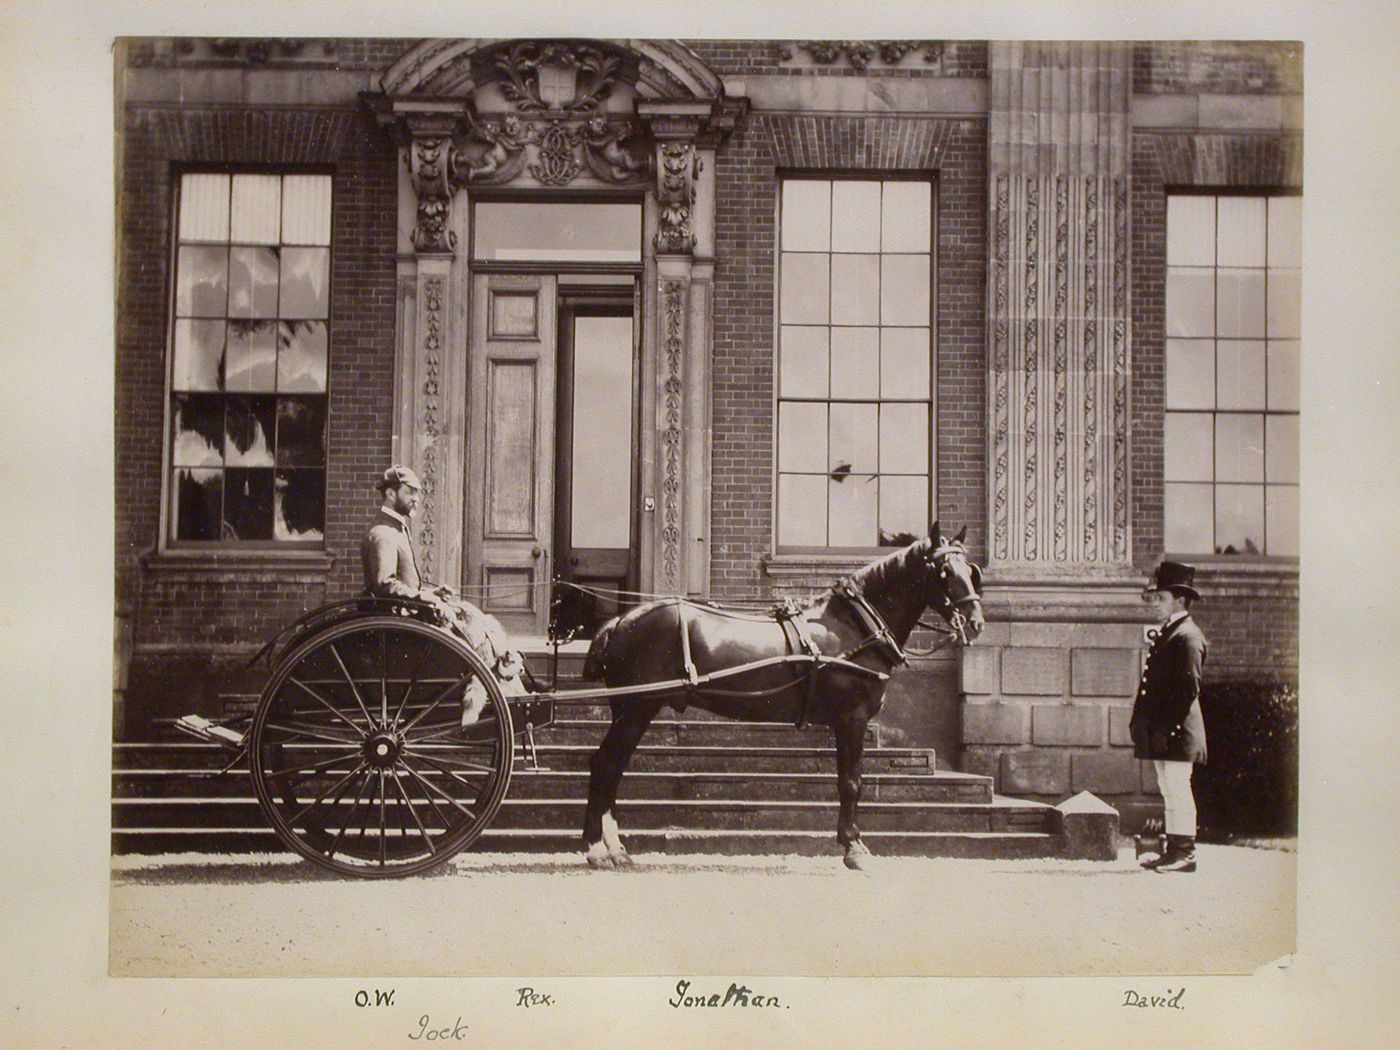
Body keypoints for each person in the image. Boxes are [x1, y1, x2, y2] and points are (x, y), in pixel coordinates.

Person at [362, 465, 527, 725]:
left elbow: (404, 582)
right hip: (397, 618)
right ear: (391, 494)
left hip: (405, 609)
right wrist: (424, 599)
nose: (416, 498)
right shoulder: (383, 533)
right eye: (410, 492)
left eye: (418, 492)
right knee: (471, 629)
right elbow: (385, 583)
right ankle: (488, 691)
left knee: (475, 618)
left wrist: (432, 592)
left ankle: (501, 686)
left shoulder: (396, 529)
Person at [1130, 561, 1208, 873]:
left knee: (1178, 786)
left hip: (1178, 730)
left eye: (1160, 598)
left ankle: (1185, 852)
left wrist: (1165, 728)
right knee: (1168, 787)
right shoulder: (1171, 632)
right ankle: (1174, 849)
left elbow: (1187, 689)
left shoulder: (1187, 636)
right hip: (1165, 729)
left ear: (1180, 600)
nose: (1156, 605)